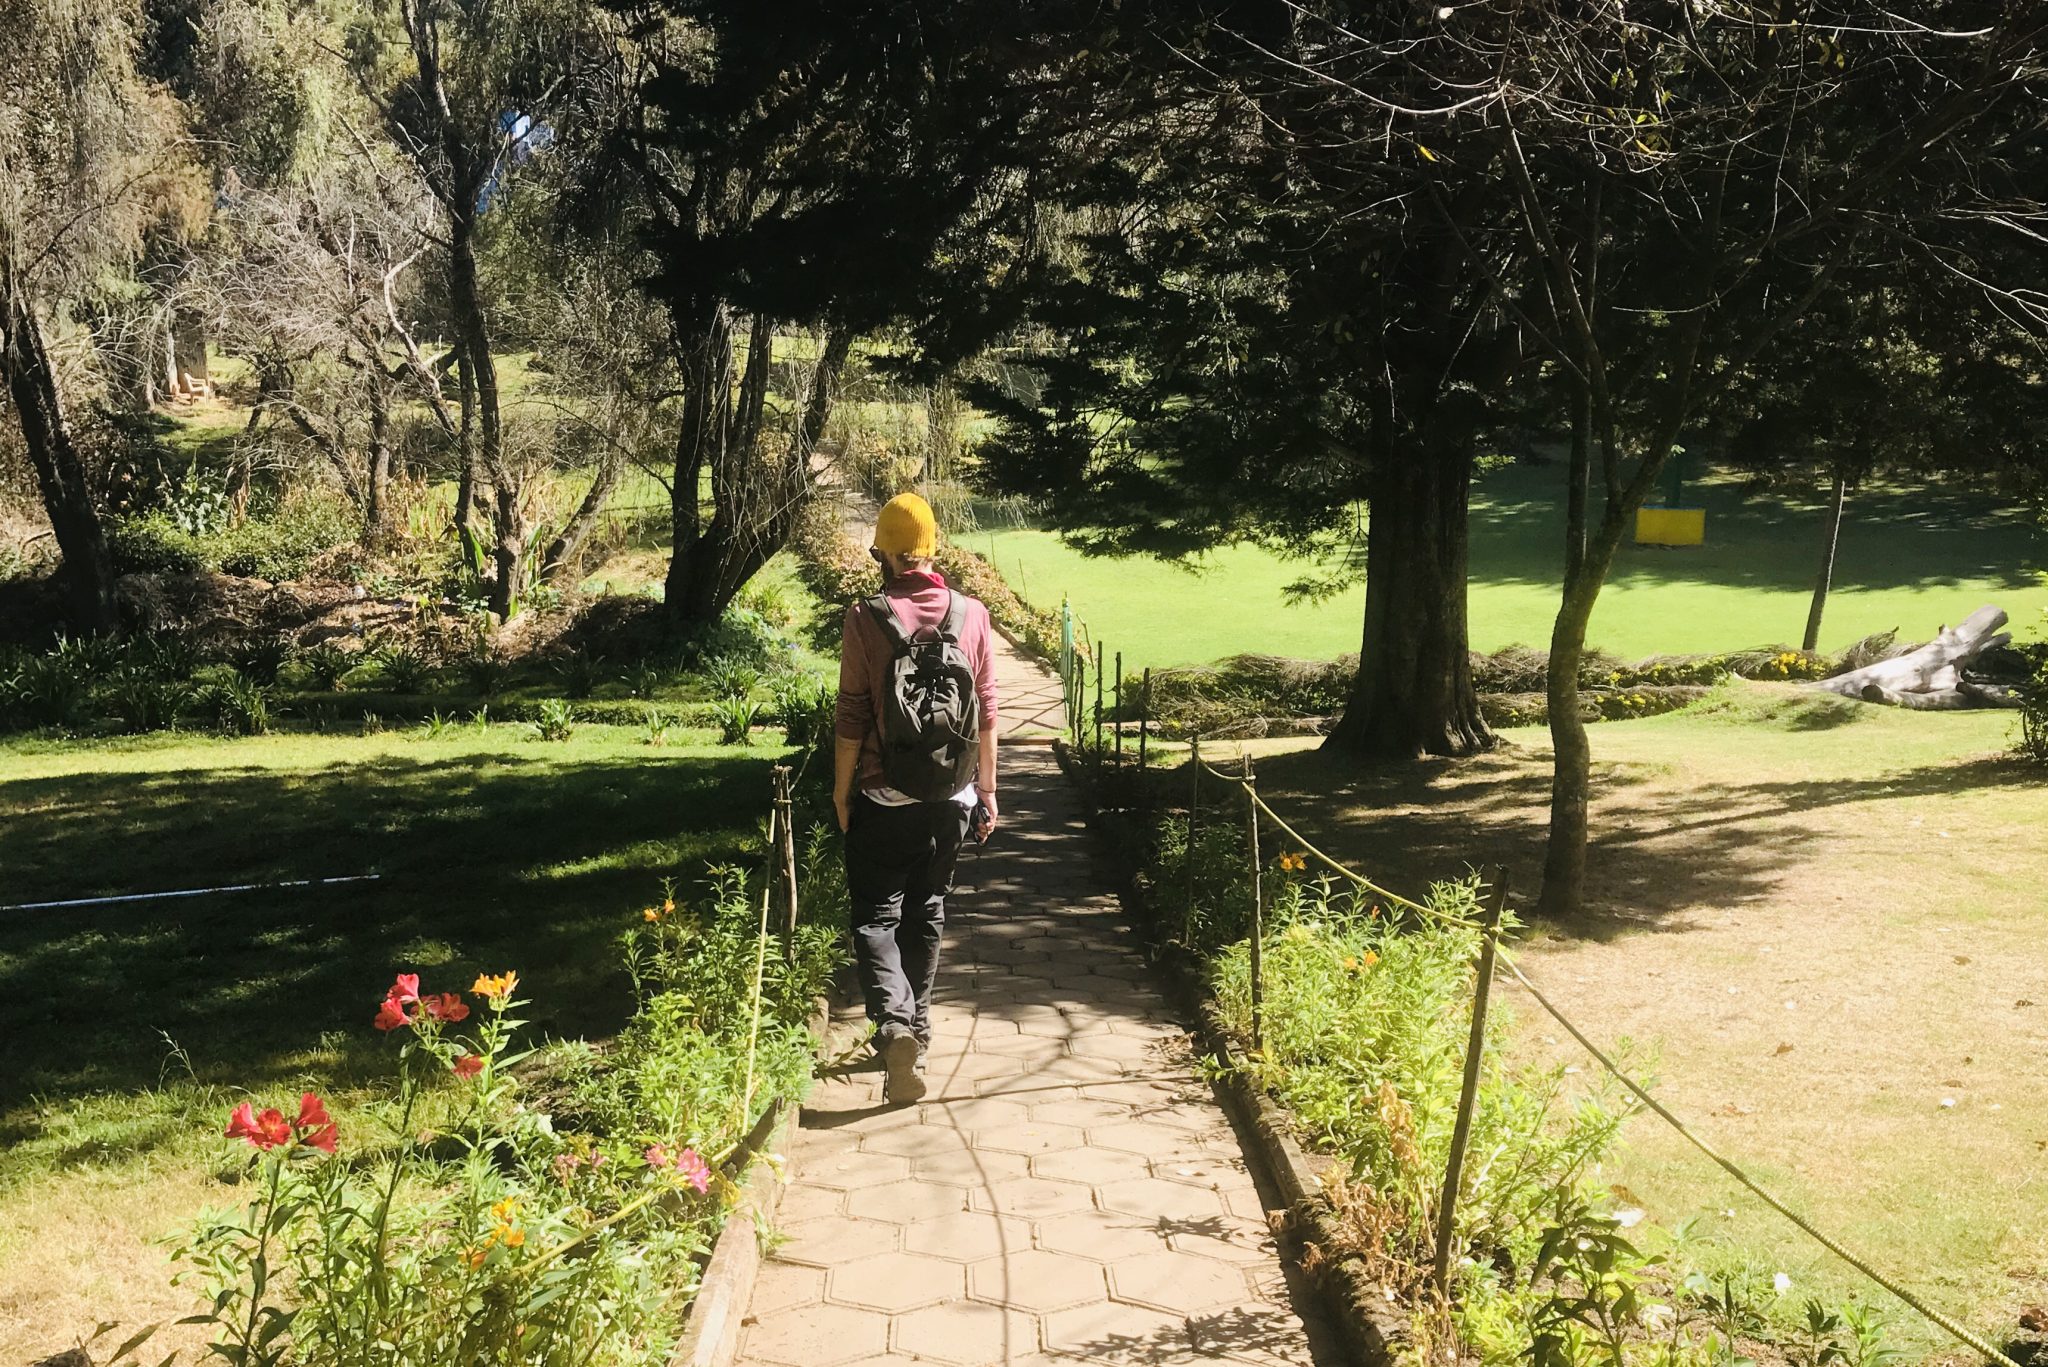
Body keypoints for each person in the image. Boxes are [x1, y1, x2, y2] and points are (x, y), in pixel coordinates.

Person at [834, 493, 999, 1104]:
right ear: (932, 550)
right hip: (951, 800)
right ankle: (917, 1035)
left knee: (876, 918)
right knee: (926, 913)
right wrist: (986, 789)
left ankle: (895, 1026)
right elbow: (986, 708)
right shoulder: (973, 614)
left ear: (883, 552)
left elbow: (851, 713)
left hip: (884, 795)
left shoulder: (865, 616)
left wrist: (841, 789)